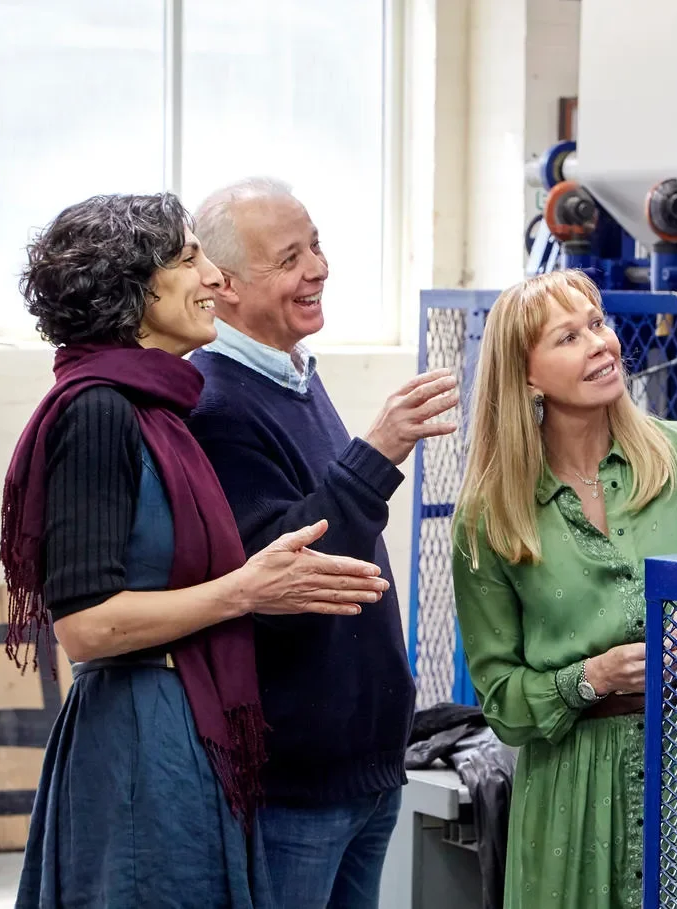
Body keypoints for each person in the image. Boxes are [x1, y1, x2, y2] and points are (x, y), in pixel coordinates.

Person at [1, 192, 390, 908]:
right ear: (132, 289)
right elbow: (85, 625)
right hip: (139, 738)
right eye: (188, 259)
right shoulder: (98, 410)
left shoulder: (157, 405)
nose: (213, 276)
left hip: (185, 721)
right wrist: (246, 590)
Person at [185, 176, 458, 907]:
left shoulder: (294, 375)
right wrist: (377, 452)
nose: (318, 268)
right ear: (225, 285)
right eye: (289, 259)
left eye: (316, 246)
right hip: (297, 785)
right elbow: (284, 574)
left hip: (363, 768)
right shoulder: (216, 404)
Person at [451, 269, 677, 908]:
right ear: (526, 377)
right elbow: (501, 702)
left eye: (598, 324)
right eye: (568, 337)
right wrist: (592, 677)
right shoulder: (491, 513)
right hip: (571, 791)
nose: (600, 344)